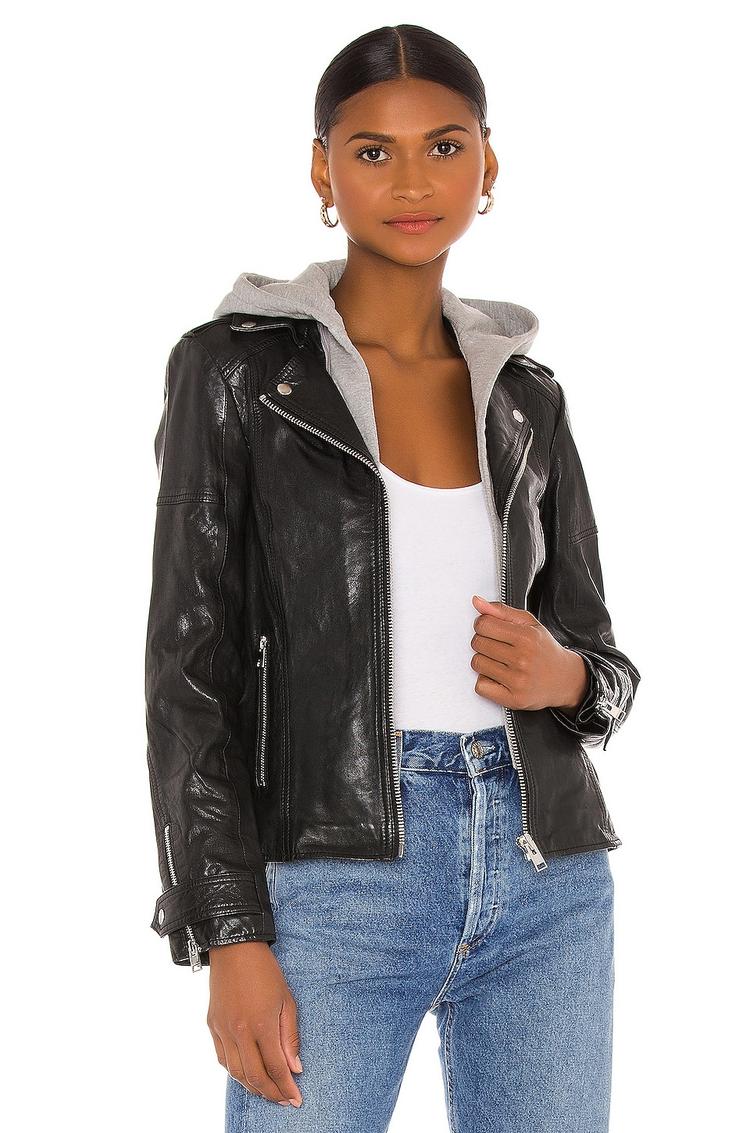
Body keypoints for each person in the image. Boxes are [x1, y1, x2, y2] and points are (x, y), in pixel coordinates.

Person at [144, 23, 641, 1133]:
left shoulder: (527, 396)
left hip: (547, 872)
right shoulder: (234, 372)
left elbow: (602, 660)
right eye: (373, 151)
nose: (413, 181)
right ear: (323, 170)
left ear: (487, 163)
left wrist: (568, 677)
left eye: (445, 146)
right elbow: (188, 677)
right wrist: (230, 929)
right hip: (332, 878)